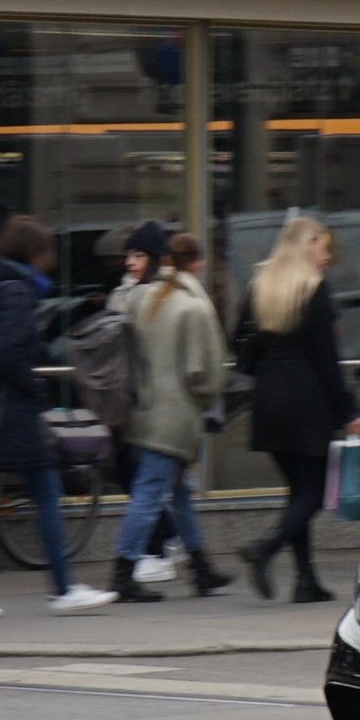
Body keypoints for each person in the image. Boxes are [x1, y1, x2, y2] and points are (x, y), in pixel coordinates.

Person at [0, 217, 118, 619]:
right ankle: (63, 588)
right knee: (47, 494)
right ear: (35, 254)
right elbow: (9, 353)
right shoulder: (15, 289)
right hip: (7, 411)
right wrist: (35, 391)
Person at [236, 215, 360, 602]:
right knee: (312, 492)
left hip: (268, 396)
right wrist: (349, 410)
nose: (328, 257)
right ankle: (265, 548)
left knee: (297, 490)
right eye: (324, 248)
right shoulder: (314, 291)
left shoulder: (259, 287)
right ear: (308, 246)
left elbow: (241, 347)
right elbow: (328, 361)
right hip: (307, 399)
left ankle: (306, 580)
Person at [102, 222, 235, 602]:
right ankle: (123, 573)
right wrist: (205, 398)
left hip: (145, 411)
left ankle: (201, 567)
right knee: (149, 494)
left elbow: (117, 316)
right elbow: (204, 375)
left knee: (179, 494)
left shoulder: (144, 298)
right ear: (197, 265)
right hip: (174, 418)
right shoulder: (193, 308)